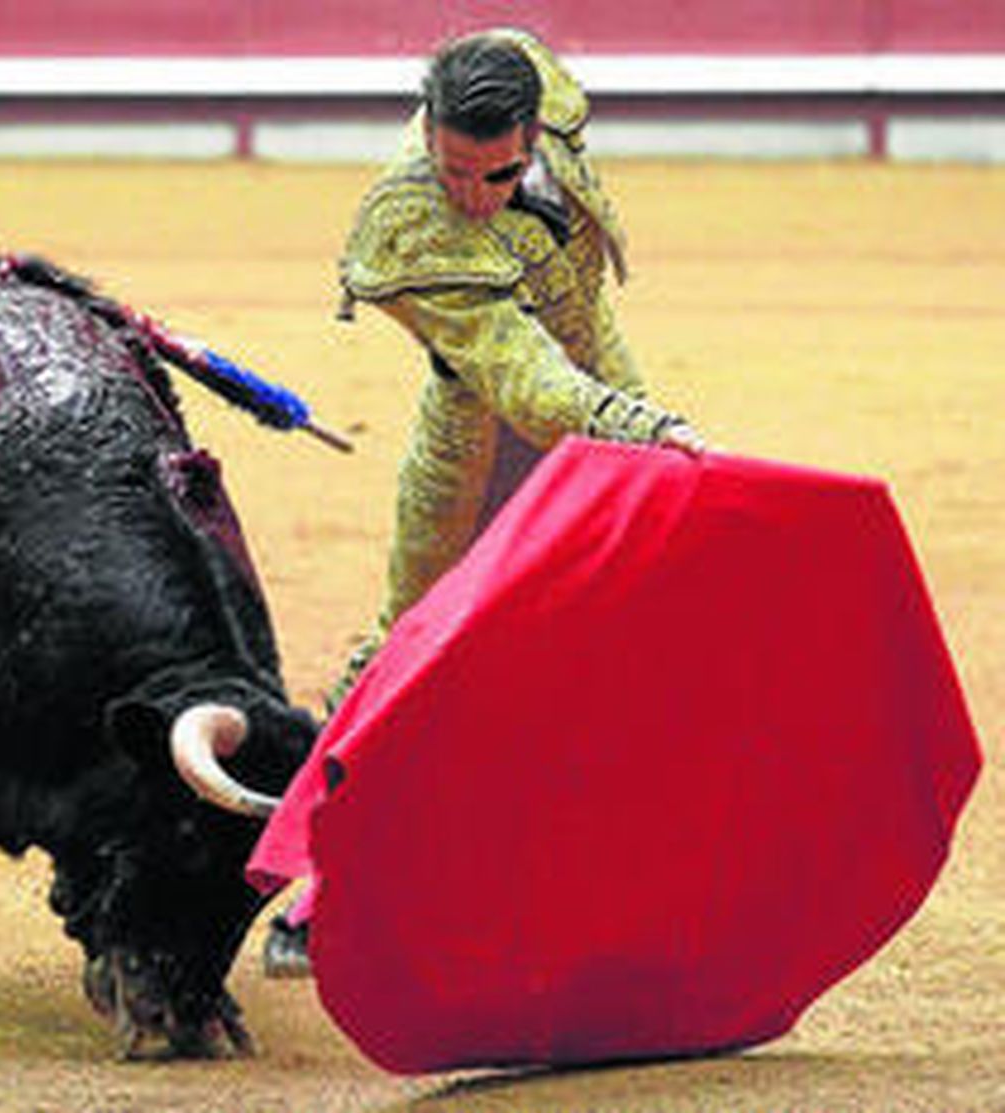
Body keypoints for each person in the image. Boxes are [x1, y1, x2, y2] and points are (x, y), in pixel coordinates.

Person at [262, 27, 705, 979]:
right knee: (408, 649)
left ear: (533, 135)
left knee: (634, 619)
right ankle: (316, 884)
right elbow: (522, 375)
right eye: (451, 168)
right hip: (482, 439)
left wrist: (639, 415)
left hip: (597, 378)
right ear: (426, 133)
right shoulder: (409, 222)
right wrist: (633, 424)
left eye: (493, 176)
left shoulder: (531, 78)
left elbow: (577, 339)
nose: (467, 195)